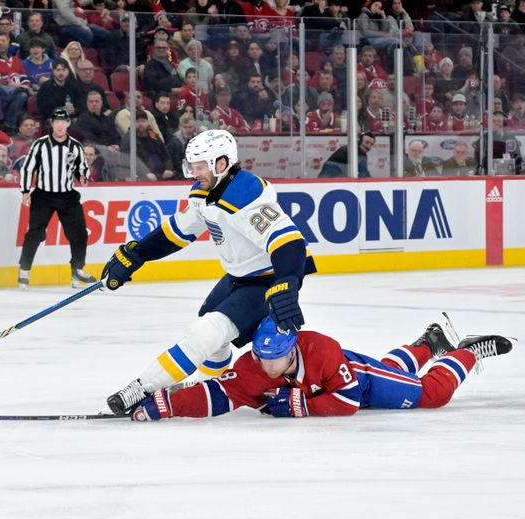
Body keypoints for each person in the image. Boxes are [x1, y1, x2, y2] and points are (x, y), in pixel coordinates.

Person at [102, 129, 315, 415]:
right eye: (191, 166)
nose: (194, 172)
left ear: (222, 164)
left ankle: (142, 387)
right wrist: (137, 253)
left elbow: (289, 242)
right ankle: (207, 382)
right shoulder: (205, 192)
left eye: (200, 166)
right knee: (211, 335)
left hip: (268, 278)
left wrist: (288, 282)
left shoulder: (246, 194)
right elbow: (178, 231)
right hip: (239, 276)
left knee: (205, 333)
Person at [131, 314, 513, 421]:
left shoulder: (322, 349)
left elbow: (347, 402)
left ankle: (466, 353)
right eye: (260, 357)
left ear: (292, 351)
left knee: (429, 394)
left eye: (273, 359)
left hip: (360, 385)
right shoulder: (254, 366)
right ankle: (428, 343)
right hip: (342, 377)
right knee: (393, 368)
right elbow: (216, 394)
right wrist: (165, 405)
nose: (265, 367)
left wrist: (303, 407)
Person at [18, 107, 97, 289]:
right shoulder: (40, 144)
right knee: (35, 233)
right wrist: (25, 191)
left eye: (63, 122)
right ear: (52, 124)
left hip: (67, 196)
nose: (60, 125)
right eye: (57, 122)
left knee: (79, 233)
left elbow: (81, 168)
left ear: (68, 124)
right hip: (43, 195)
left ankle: (77, 270)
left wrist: (83, 176)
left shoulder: (76, 146)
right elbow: (28, 168)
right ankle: (24, 270)